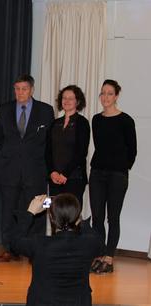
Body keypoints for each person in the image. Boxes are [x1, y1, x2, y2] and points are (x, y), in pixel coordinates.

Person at [0, 74, 54, 262]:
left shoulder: (46, 110)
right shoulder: (3, 110)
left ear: (32, 90)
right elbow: (0, 138)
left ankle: (35, 250)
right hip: (9, 169)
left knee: (39, 209)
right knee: (8, 211)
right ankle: (9, 249)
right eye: (17, 88)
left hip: (35, 171)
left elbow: (49, 142)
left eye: (24, 89)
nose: (20, 92)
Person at [11, 193, 102, 306]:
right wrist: (77, 218)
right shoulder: (90, 243)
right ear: (78, 217)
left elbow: (15, 242)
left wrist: (30, 212)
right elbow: (97, 239)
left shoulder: (39, 244)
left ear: (52, 219)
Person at [89, 79, 137, 274]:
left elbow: (132, 151)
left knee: (113, 217)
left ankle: (109, 257)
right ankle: (100, 255)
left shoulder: (126, 120)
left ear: (116, 96)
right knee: (97, 217)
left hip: (117, 175)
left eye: (109, 93)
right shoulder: (96, 119)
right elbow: (100, 146)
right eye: (102, 93)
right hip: (97, 172)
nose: (105, 97)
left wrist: (121, 168)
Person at [45, 85, 90, 205]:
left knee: (72, 216)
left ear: (78, 101)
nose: (67, 101)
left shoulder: (82, 123)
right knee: (52, 211)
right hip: (54, 179)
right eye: (64, 98)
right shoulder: (54, 123)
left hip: (74, 178)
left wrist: (65, 174)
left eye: (71, 98)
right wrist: (52, 172)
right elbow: (47, 150)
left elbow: (81, 152)